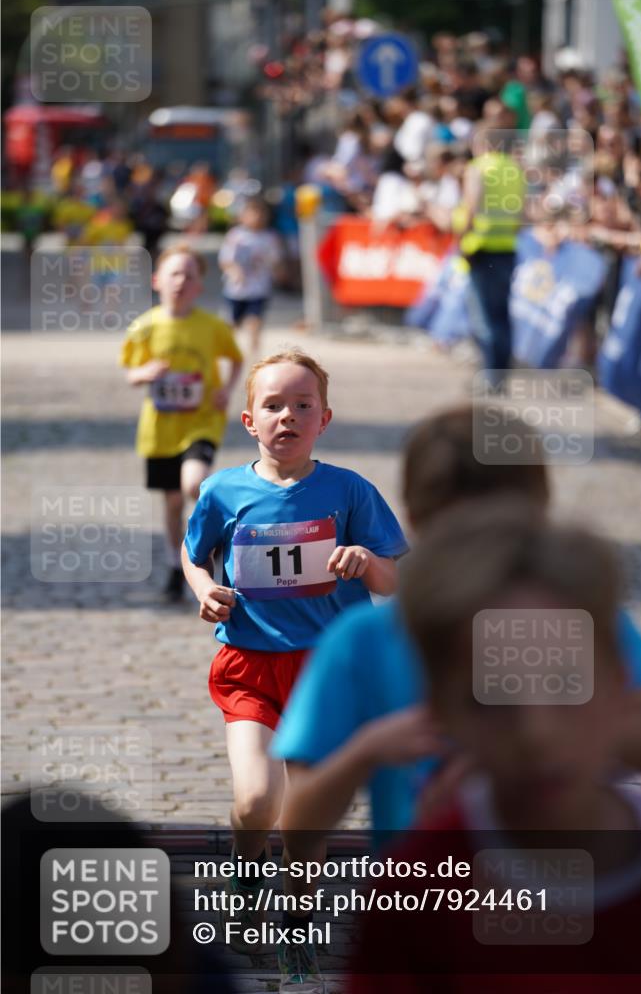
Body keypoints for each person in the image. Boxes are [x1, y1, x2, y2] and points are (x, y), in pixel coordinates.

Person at [275, 406, 641, 837]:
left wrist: (553, 741)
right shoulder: (365, 639)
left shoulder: (578, 613)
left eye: (501, 531)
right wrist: (365, 752)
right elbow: (297, 823)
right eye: (464, 534)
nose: (481, 554)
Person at [350, 500, 641, 992]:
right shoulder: (415, 894)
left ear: (620, 682)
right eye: (491, 698)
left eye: (567, 685)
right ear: (442, 709)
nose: (535, 732)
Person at [181, 349, 407, 991]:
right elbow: (195, 553)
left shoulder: (350, 491)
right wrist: (203, 588)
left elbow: (390, 581)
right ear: (249, 420)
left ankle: (296, 927)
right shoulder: (223, 490)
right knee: (256, 800)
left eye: (302, 405)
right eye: (274, 406)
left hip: (325, 675)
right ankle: (247, 864)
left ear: (324, 418)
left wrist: (366, 561)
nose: (289, 416)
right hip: (249, 665)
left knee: (305, 816)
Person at [119, 245, 243, 602]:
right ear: (158, 280)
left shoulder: (212, 327)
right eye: (174, 274)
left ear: (200, 286)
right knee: (173, 503)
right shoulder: (144, 327)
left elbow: (235, 360)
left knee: (194, 485)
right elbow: (130, 372)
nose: (181, 282)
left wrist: (227, 391)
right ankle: (178, 565)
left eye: (190, 276)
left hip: (202, 421)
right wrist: (145, 372)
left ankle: (218, 547)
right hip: (160, 429)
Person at [452, 108, 526, 388]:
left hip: (481, 248)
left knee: (483, 316)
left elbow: (471, 206)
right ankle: (501, 374)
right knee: (502, 314)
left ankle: (489, 376)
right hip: (507, 247)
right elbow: (520, 214)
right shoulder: (515, 169)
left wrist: (461, 240)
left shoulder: (479, 167)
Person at [218, 197, 282, 354]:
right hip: (236, 289)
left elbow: (276, 260)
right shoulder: (236, 236)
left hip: (259, 287)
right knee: (233, 322)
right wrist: (235, 271)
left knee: (255, 321)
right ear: (243, 216)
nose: (258, 218)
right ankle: (227, 350)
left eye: (261, 214)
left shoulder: (270, 237)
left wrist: (279, 272)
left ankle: (254, 352)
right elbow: (225, 260)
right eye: (253, 214)